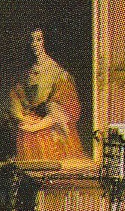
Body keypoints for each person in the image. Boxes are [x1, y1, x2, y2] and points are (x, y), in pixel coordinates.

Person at [9, 28, 86, 161]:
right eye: (31, 40)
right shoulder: (25, 73)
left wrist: (35, 127)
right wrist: (23, 119)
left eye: (38, 39)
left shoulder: (58, 73)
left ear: (46, 41)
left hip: (50, 133)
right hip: (27, 130)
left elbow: (62, 111)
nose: (34, 44)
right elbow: (15, 99)